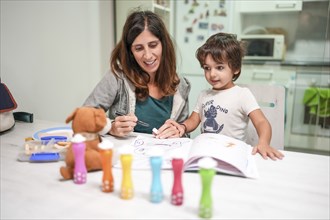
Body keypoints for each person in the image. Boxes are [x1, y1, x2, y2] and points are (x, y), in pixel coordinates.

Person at [166, 32, 284, 160]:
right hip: (207, 152)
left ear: (236, 68)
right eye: (207, 68)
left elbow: (261, 122)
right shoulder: (204, 95)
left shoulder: (242, 94)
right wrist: (182, 127)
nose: (212, 74)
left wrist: (264, 143)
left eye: (219, 67)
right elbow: (193, 120)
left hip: (233, 154)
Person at [83, 10, 191, 138]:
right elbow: (84, 117)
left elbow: (185, 136)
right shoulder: (117, 78)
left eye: (153, 45)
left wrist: (179, 131)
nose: (148, 55)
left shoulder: (181, 86)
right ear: (130, 52)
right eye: (139, 48)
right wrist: (109, 127)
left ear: (164, 45)